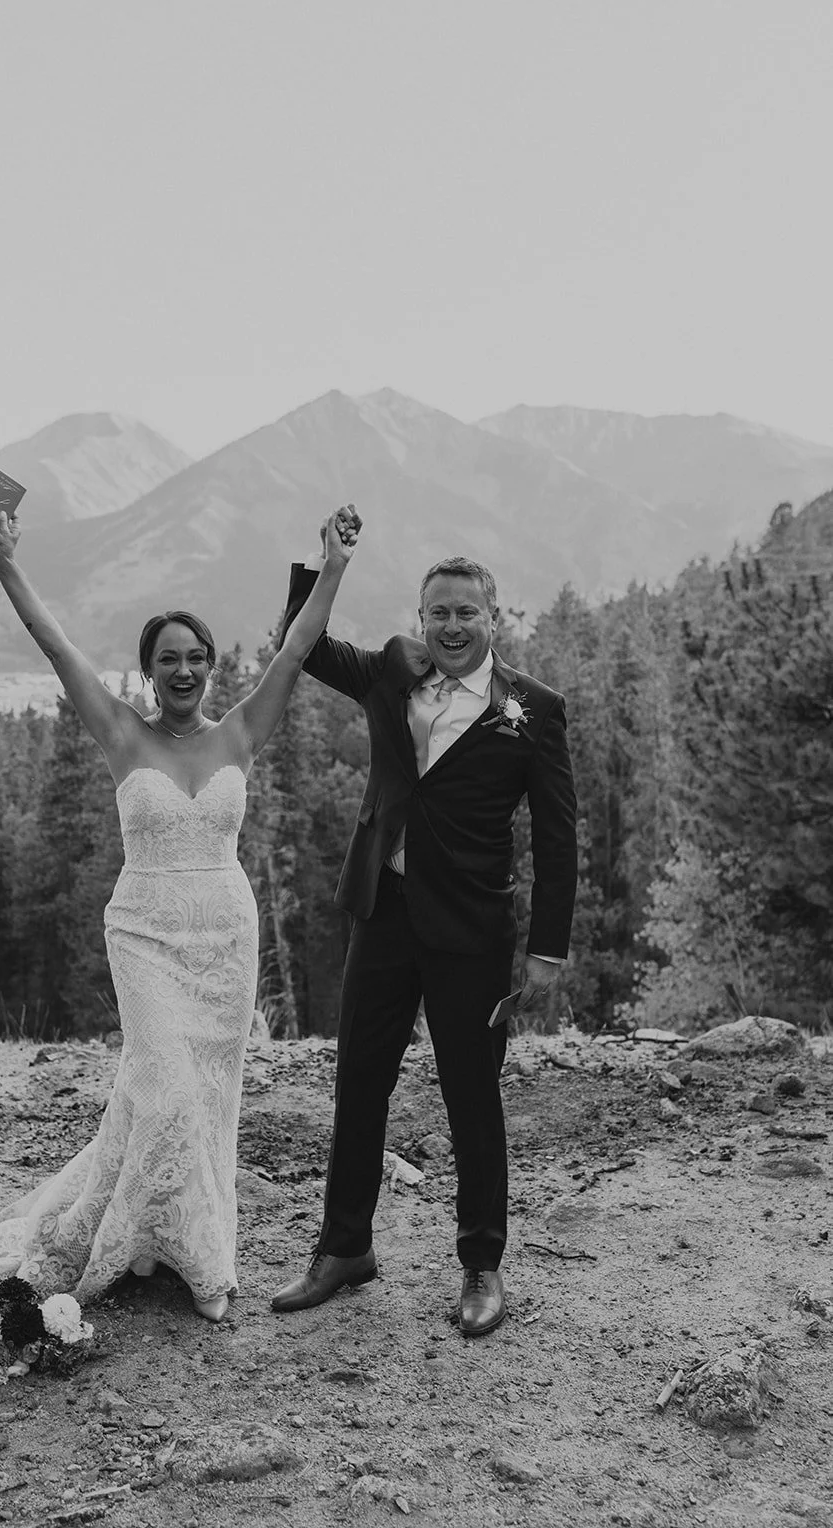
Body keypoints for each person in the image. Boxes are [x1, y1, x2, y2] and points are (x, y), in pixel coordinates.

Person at [0, 501, 360, 1324]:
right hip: (146, 935)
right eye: (168, 660)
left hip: (223, 937)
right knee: (163, 1091)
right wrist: (7, 561)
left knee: (208, 1099)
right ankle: (150, 1245)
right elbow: (56, 646)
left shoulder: (238, 732)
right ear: (147, 672)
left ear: (210, 667)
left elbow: (296, 648)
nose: (184, 671)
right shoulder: (120, 732)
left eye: (195, 658)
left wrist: (330, 565)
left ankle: (188, 1242)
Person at [271, 528, 577, 1335]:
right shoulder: (389, 672)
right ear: (419, 615)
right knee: (359, 1083)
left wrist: (545, 950)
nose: (450, 625)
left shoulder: (533, 711)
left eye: (465, 611)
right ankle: (344, 1249)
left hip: (472, 931)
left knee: (471, 1097)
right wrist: (327, 566)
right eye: (437, 611)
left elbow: (557, 837)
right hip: (384, 913)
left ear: (493, 617)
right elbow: (301, 649)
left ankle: (481, 1266)